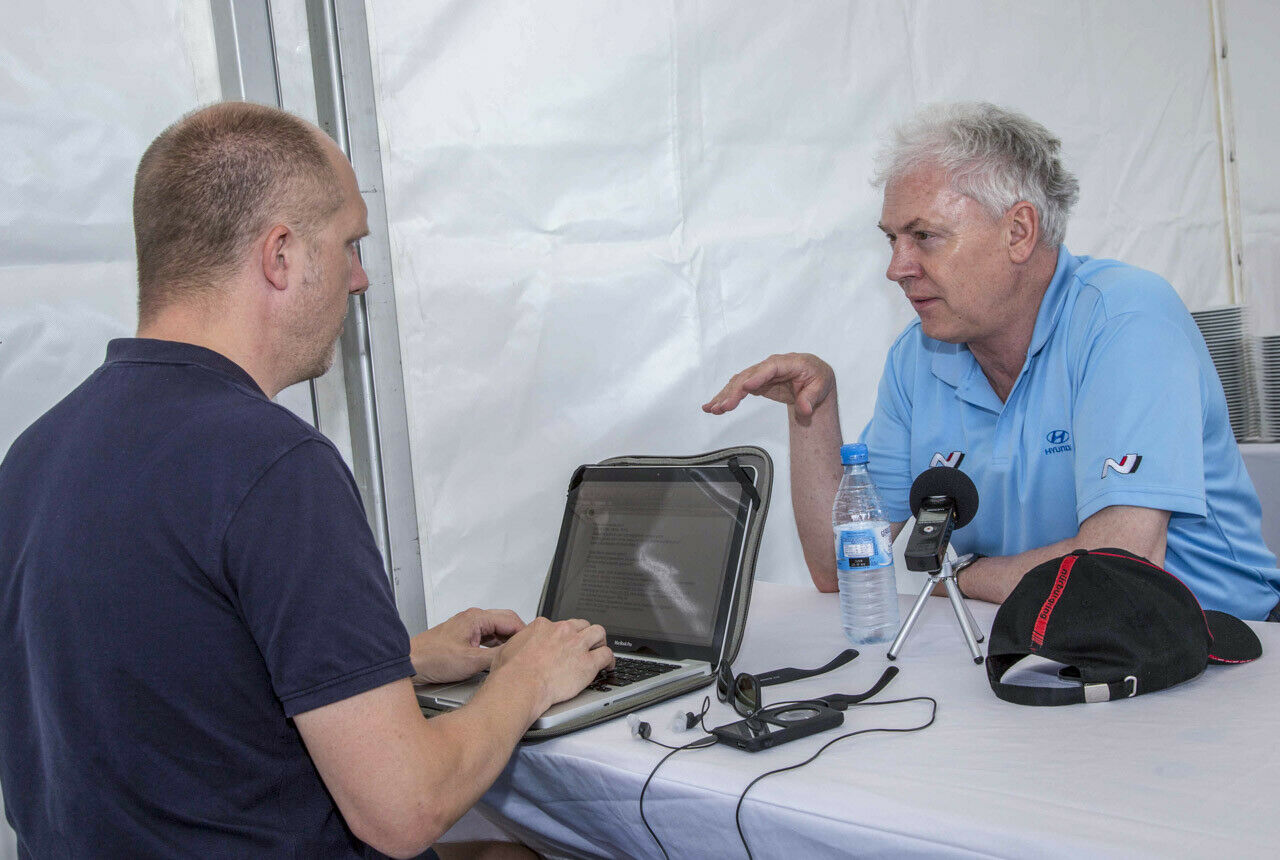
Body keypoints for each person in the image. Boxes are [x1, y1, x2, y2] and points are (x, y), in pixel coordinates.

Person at [0, 102, 614, 858]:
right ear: (281, 254)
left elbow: (164, 681)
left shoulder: (34, 456)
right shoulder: (274, 465)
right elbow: (405, 810)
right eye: (350, 242)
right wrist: (526, 679)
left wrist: (398, 660)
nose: (359, 280)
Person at [704, 101, 1280, 621]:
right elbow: (840, 568)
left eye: (924, 235)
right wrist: (814, 410)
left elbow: (1119, 562)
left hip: (1222, 645)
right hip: (1042, 639)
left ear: (1020, 232)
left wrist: (959, 574)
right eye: (891, 240)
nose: (897, 267)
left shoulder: (1126, 319)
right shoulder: (917, 356)